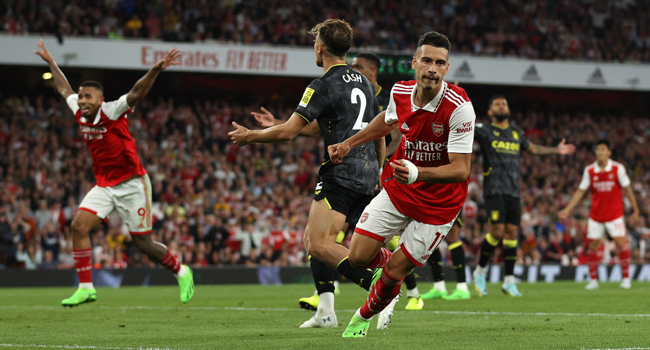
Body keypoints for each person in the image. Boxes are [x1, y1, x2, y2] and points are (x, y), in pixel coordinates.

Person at [229, 20, 385, 329]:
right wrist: (377, 169)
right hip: (368, 174)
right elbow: (374, 131)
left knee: (318, 245)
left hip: (341, 172)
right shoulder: (365, 83)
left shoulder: (322, 84)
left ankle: (379, 288)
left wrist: (251, 135)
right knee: (313, 238)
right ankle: (326, 311)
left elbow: (288, 133)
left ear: (320, 48)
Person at [328, 31, 476, 338]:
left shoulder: (459, 107)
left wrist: (418, 172)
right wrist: (349, 143)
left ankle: (361, 317)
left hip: (438, 207)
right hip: (400, 190)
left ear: (447, 68)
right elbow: (387, 120)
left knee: (396, 271)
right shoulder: (400, 92)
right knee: (356, 257)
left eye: (440, 62)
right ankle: (388, 279)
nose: (432, 68)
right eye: (426, 61)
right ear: (414, 63)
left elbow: (461, 170)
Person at [34, 39, 194, 307]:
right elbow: (64, 88)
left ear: (100, 100)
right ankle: (86, 287)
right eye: (81, 96)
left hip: (132, 184)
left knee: (143, 244)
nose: (81, 101)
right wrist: (51, 62)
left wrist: (155, 70)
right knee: (78, 226)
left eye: (87, 97)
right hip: (105, 185)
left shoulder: (112, 110)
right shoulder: (79, 110)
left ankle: (181, 270)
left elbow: (136, 92)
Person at [472, 95, 575, 297]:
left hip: (513, 192)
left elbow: (534, 149)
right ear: (491, 111)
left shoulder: (516, 133)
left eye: (504, 103)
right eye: (497, 104)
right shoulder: (484, 131)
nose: (502, 106)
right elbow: (462, 124)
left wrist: (556, 149)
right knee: (496, 231)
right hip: (494, 189)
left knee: (511, 234)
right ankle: (480, 271)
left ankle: (509, 281)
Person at [559, 139, 639, 290]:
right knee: (593, 245)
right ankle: (593, 280)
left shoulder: (617, 168)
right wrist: (567, 209)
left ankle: (626, 278)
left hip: (614, 214)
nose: (600, 152)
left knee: (621, 242)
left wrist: (635, 209)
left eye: (603, 149)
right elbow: (580, 192)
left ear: (609, 152)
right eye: (598, 149)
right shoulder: (589, 170)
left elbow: (627, 189)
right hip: (596, 215)